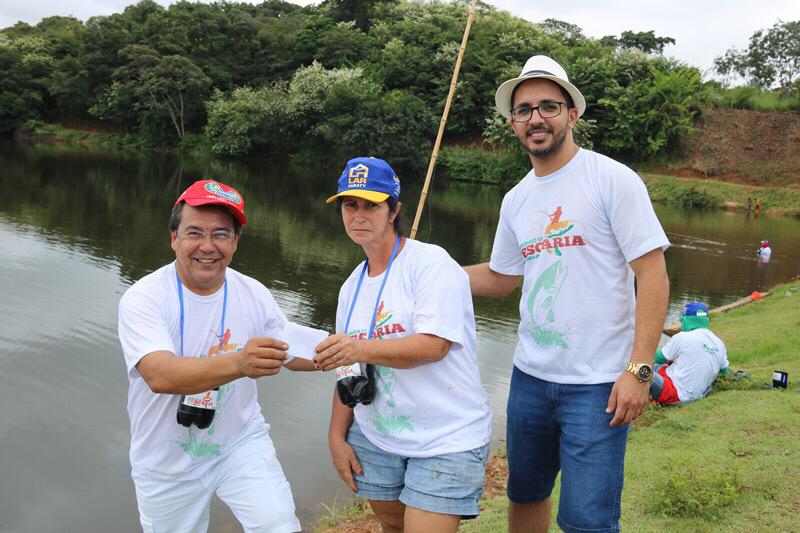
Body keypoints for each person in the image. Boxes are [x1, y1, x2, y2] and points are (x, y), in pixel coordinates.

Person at [464, 55, 670, 533]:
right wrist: (428, 270)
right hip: (529, 379)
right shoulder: (515, 199)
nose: (535, 118)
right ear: (513, 123)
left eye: (548, 106)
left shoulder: (612, 179)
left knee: (587, 520)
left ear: (572, 114)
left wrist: (639, 370)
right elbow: (502, 277)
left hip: (598, 384)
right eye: (523, 109)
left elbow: (653, 276)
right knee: (525, 494)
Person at [118, 179, 316, 533]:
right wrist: (239, 363)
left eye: (221, 234)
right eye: (194, 233)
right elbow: (159, 375)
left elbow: (289, 349)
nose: (207, 246)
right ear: (174, 238)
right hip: (165, 459)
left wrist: (351, 350)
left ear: (235, 241)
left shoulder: (253, 292)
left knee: (278, 524)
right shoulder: (144, 298)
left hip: (238, 441)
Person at [314, 157, 493, 533]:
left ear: (393, 211)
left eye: (371, 205)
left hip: (446, 436)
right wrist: (335, 436)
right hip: (376, 436)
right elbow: (348, 368)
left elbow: (434, 346)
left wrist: (359, 348)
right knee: (393, 527)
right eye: (350, 205)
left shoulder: (431, 263)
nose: (358, 215)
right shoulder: (352, 286)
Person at [650, 302, 729, 404]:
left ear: (685, 319)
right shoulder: (719, 343)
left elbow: (656, 358)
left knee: (638, 368)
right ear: (706, 320)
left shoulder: (682, 337)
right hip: (697, 395)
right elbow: (724, 372)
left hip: (674, 393)